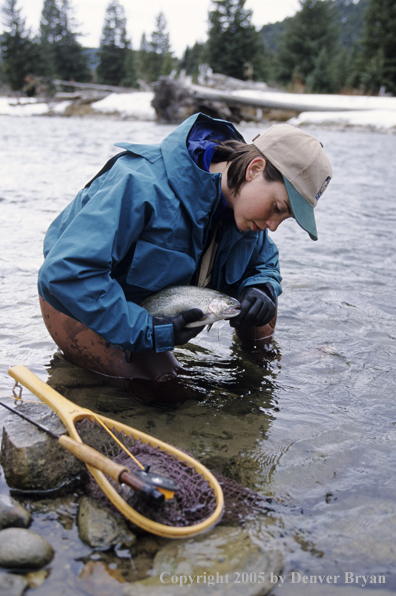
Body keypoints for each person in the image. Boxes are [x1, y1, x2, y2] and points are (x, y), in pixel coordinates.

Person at [38, 112, 332, 386]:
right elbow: (65, 274)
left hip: (153, 311)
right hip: (76, 304)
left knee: (262, 312)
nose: (273, 225)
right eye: (277, 208)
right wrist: (151, 332)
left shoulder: (246, 211)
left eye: (285, 218)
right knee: (169, 388)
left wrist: (263, 288)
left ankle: (260, 372)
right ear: (254, 169)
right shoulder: (140, 183)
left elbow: (264, 263)